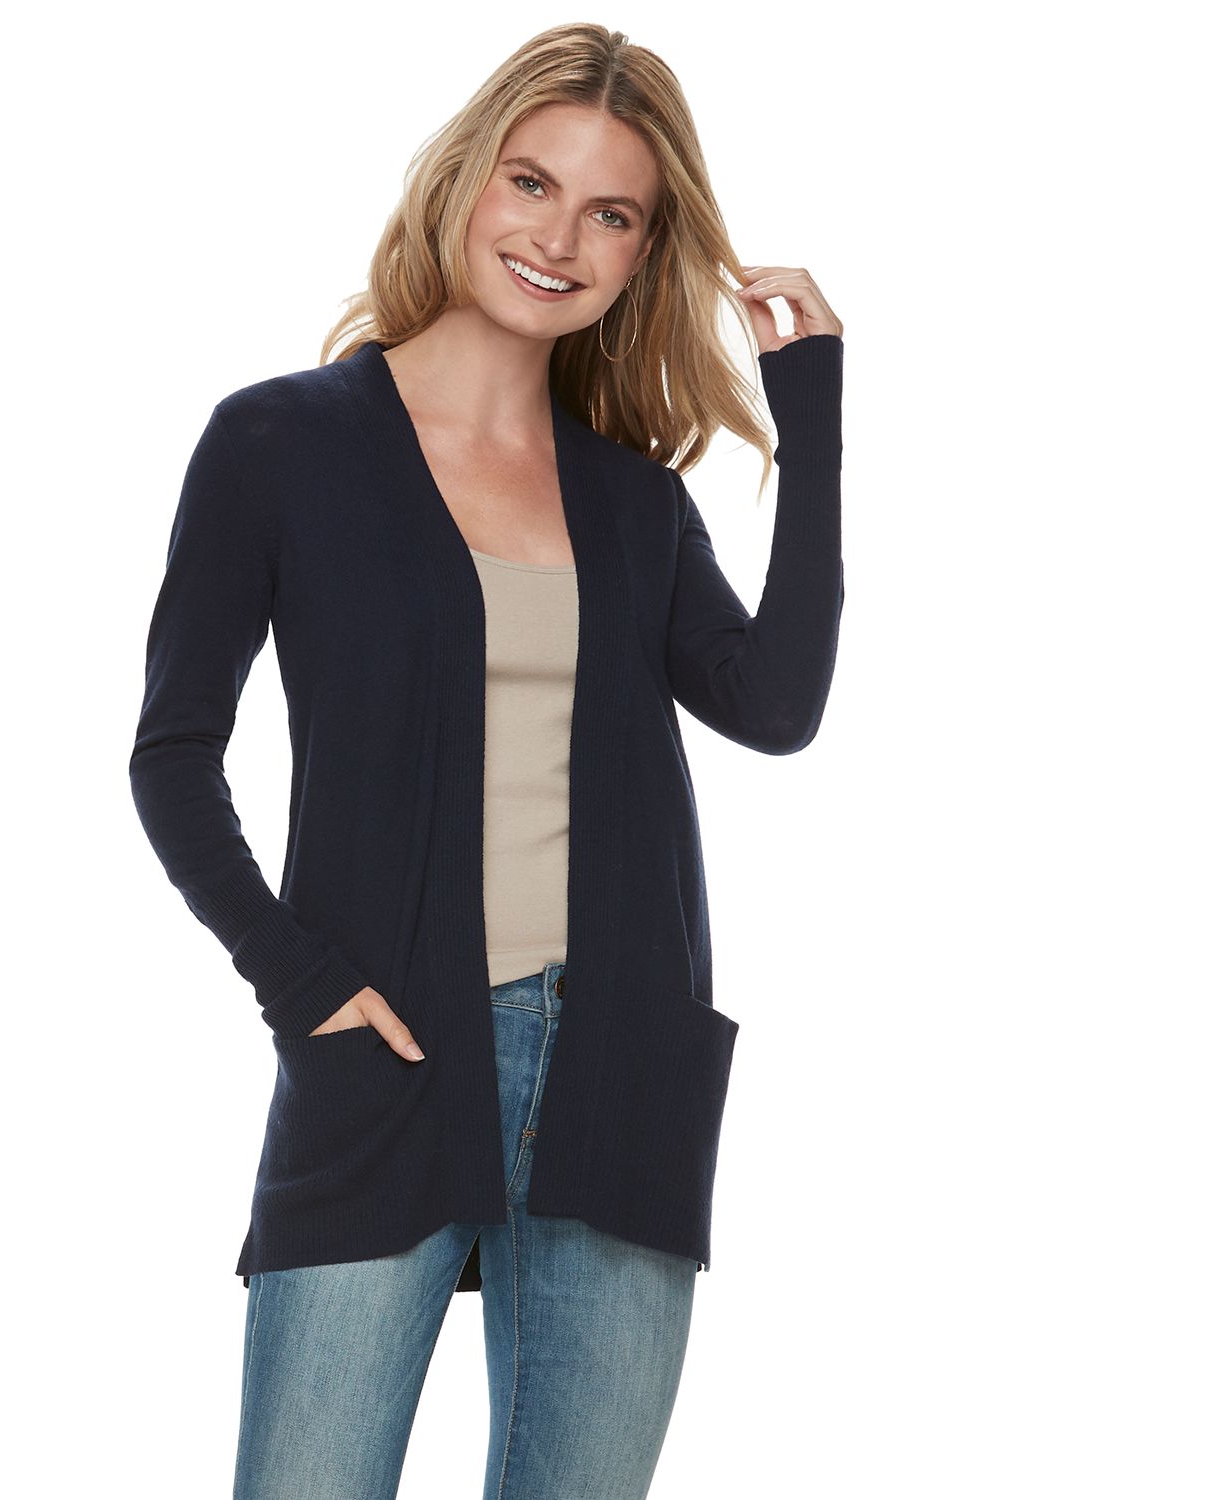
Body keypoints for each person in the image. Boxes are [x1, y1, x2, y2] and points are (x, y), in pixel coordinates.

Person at [129, 22, 845, 1500]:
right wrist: (297, 978)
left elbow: (776, 707)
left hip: (621, 1069)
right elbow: (173, 752)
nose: (558, 238)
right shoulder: (281, 445)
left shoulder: (632, 500)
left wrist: (814, 423)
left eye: (611, 213)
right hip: (384, 1055)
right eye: (533, 182)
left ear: (643, 255)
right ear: (466, 178)